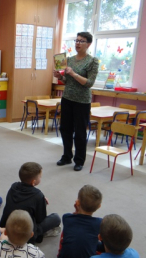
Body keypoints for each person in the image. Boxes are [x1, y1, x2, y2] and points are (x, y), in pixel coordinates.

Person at [53, 32, 99, 171]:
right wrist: (59, 76)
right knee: (65, 129)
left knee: (80, 132)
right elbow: (66, 81)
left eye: (82, 41)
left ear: (89, 44)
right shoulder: (70, 60)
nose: (78, 43)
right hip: (67, 98)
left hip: (82, 101)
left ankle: (79, 160)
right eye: (77, 40)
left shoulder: (92, 61)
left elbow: (89, 83)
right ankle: (67, 156)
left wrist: (73, 73)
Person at [0, 162, 61, 244]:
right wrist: (41, 201)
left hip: (6, 225)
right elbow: (40, 219)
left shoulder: (13, 186)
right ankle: (39, 234)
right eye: (40, 177)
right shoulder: (38, 195)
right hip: (25, 233)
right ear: (33, 182)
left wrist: (40, 199)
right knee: (56, 218)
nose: (41, 178)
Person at [57, 185, 103, 258]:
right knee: (101, 244)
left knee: (67, 232)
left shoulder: (66, 217)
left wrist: (76, 211)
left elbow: (73, 222)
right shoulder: (100, 223)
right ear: (99, 206)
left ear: (77, 203)